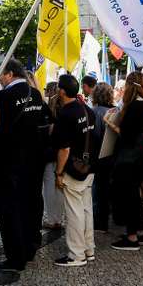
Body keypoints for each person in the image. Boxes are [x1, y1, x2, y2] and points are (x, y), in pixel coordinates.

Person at [0, 59, 51, 270]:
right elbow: (46, 122)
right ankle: (30, 247)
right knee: (32, 204)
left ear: (8, 74)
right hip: (34, 161)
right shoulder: (35, 94)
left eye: (0, 74)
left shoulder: (2, 97)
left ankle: (15, 257)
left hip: (9, 163)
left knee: (9, 209)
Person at [53, 74, 98, 266]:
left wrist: (59, 172)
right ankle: (89, 249)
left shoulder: (66, 113)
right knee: (86, 209)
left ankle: (76, 255)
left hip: (73, 168)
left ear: (61, 91)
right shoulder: (87, 110)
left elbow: (64, 148)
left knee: (74, 212)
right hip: (89, 167)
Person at [109, 71, 143, 251]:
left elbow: (126, 134)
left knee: (129, 197)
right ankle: (139, 233)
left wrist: (109, 123)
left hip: (128, 160)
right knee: (135, 196)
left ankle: (132, 236)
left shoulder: (134, 105)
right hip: (139, 157)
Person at [91, 82, 116, 232]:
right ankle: (107, 219)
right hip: (112, 156)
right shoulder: (115, 110)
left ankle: (99, 223)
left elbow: (93, 136)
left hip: (98, 157)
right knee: (107, 190)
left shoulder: (94, 112)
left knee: (98, 191)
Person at [41, 91, 66, 231]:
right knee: (60, 188)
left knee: (49, 187)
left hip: (50, 157)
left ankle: (52, 218)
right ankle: (59, 218)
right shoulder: (66, 120)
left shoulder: (50, 122)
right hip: (63, 158)